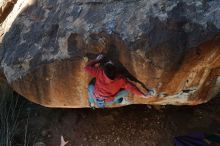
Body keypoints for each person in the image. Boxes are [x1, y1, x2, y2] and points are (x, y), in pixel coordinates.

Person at [84, 54, 155, 108]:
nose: (110, 61)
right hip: (108, 101)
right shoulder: (120, 80)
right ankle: (119, 100)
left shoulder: (99, 72)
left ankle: (92, 103)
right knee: (126, 91)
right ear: (116, 72)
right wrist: (143, 95)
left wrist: (96, 60)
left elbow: (86, 68)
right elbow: (131, 88)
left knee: (90, 87)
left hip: (96, 97)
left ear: (104, 70)